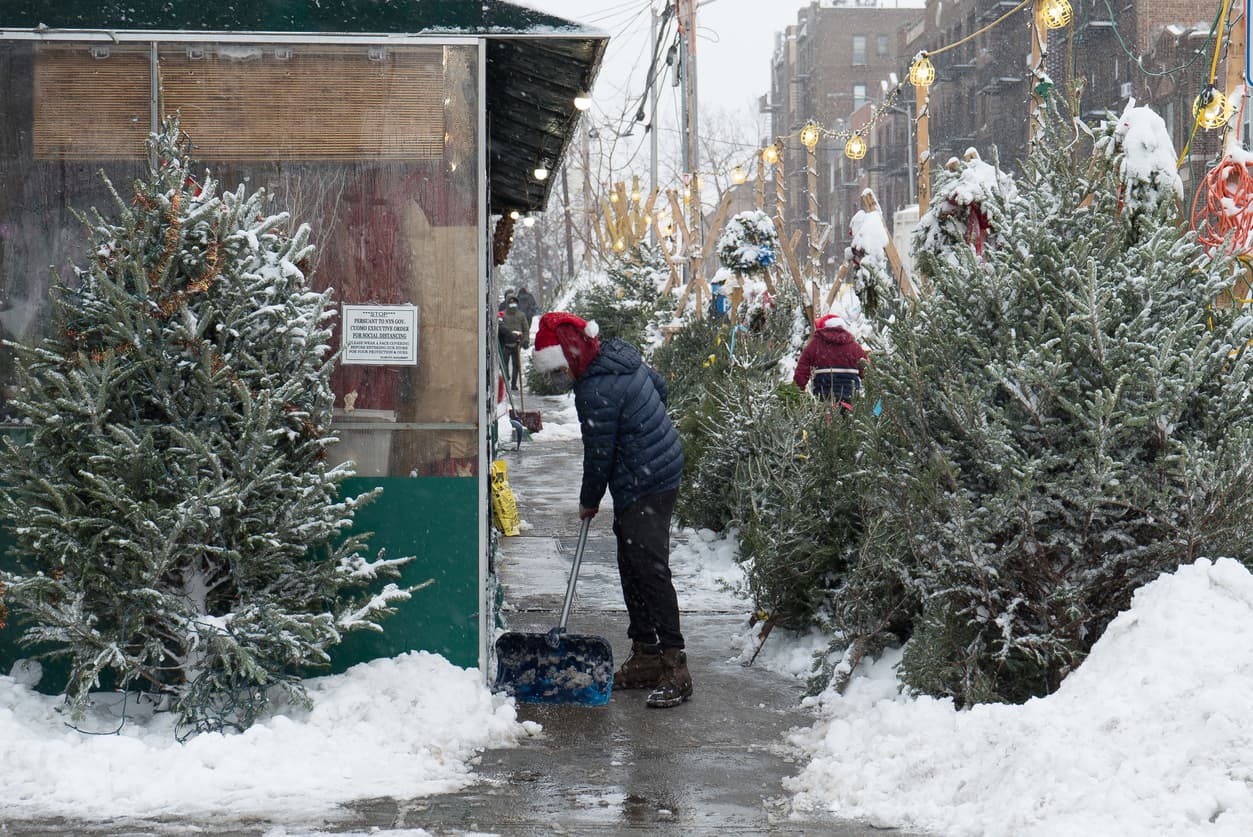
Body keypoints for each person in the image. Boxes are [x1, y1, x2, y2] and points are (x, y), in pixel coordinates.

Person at [530, 311, 691, 708]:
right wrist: (640, 424)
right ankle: (646, 653)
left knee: (649, 568)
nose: (560, 380)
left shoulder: (595, 389)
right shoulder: (619, 356)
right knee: (630, 561)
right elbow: (660, 388)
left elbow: (598, 455)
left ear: (573, 354)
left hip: (648, 478)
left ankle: (675, 664)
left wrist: (589, 500)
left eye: (560, 371)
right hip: (653, 467)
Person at [793, 313, 868, 405]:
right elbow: (867, 371)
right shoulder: (854, 347)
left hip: (823, 394)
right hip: (850, 394)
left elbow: (801, 372)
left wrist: (797, 391)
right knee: (849, 411)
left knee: (825, 411)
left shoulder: (815, 345)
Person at [499, 295, 529, 390]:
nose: (513, 304)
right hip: (505, 344)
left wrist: (526, 340)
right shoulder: (502, 315)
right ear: (507, 303)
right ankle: (506, 380)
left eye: (514, 302)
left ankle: (513, 384)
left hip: (517, 344)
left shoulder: (521, 315)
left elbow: (525, 329)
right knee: (504, 364)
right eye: (511, 302)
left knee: (516, 365)